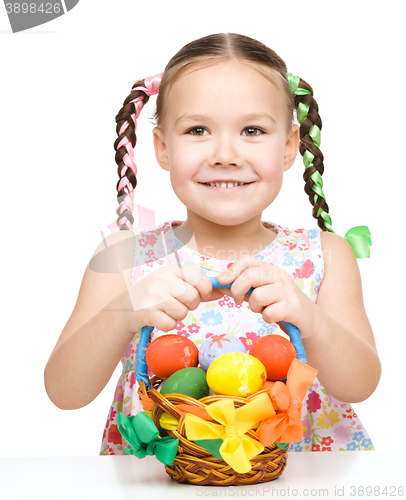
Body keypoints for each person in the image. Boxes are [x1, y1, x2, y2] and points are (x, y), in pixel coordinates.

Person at [44, 33, 381, 455]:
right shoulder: (125, 256)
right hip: (161, 482)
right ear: (163, 148)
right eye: (198, 130)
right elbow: (64, 391)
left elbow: (360, 384)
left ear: (290, 147)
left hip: (298, 479)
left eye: (253, 130)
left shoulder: (326, 255)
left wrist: (310, 320)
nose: (225, 154)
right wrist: (121, 315)